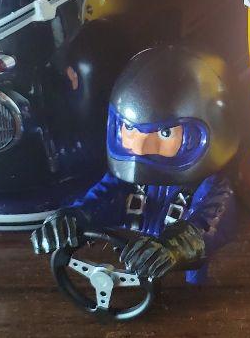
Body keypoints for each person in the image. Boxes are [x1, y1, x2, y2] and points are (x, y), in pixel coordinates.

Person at [31, 45, 236, 285]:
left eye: (165, 133)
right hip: (132, 264)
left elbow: (208, 225)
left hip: (184, 278)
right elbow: (101, 198)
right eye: (130, 129)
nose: (139, 147)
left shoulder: (211, 187)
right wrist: (73, 218)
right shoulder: (126, 179)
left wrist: (174, 248)